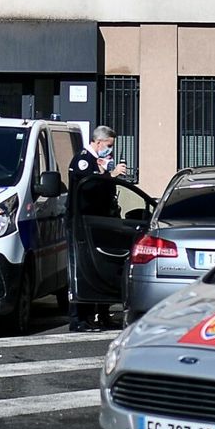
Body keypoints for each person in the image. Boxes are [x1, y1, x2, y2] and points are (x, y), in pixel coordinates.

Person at [67, 126, 129, 332]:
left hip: (99, 222)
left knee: (102, 267)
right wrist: (111, 174)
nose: (109, 150)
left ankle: (101, 314)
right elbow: (89, 187)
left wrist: (106, 172)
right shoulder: (83, 160)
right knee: (83, 268)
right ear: (98, 142)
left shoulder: (97, 162)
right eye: (108, 145)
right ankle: (80, 319)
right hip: (83, 223)